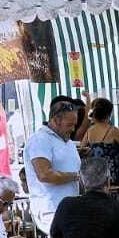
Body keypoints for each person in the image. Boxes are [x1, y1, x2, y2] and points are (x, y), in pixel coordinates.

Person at [24, 97, 82, 228]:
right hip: (50, 209)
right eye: (70, 125)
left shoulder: (67, 141)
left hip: (68, 207)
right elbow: (45, 175)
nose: (73, 129)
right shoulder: (40, 139)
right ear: (56, 121)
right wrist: (76, 176)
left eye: (75, 124)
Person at [79, 97, 119, 185]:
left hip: (93, 179)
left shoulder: (89, 131)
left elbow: (82, 149)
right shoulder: (113, 131)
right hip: (111, 179)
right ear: (109, 114)